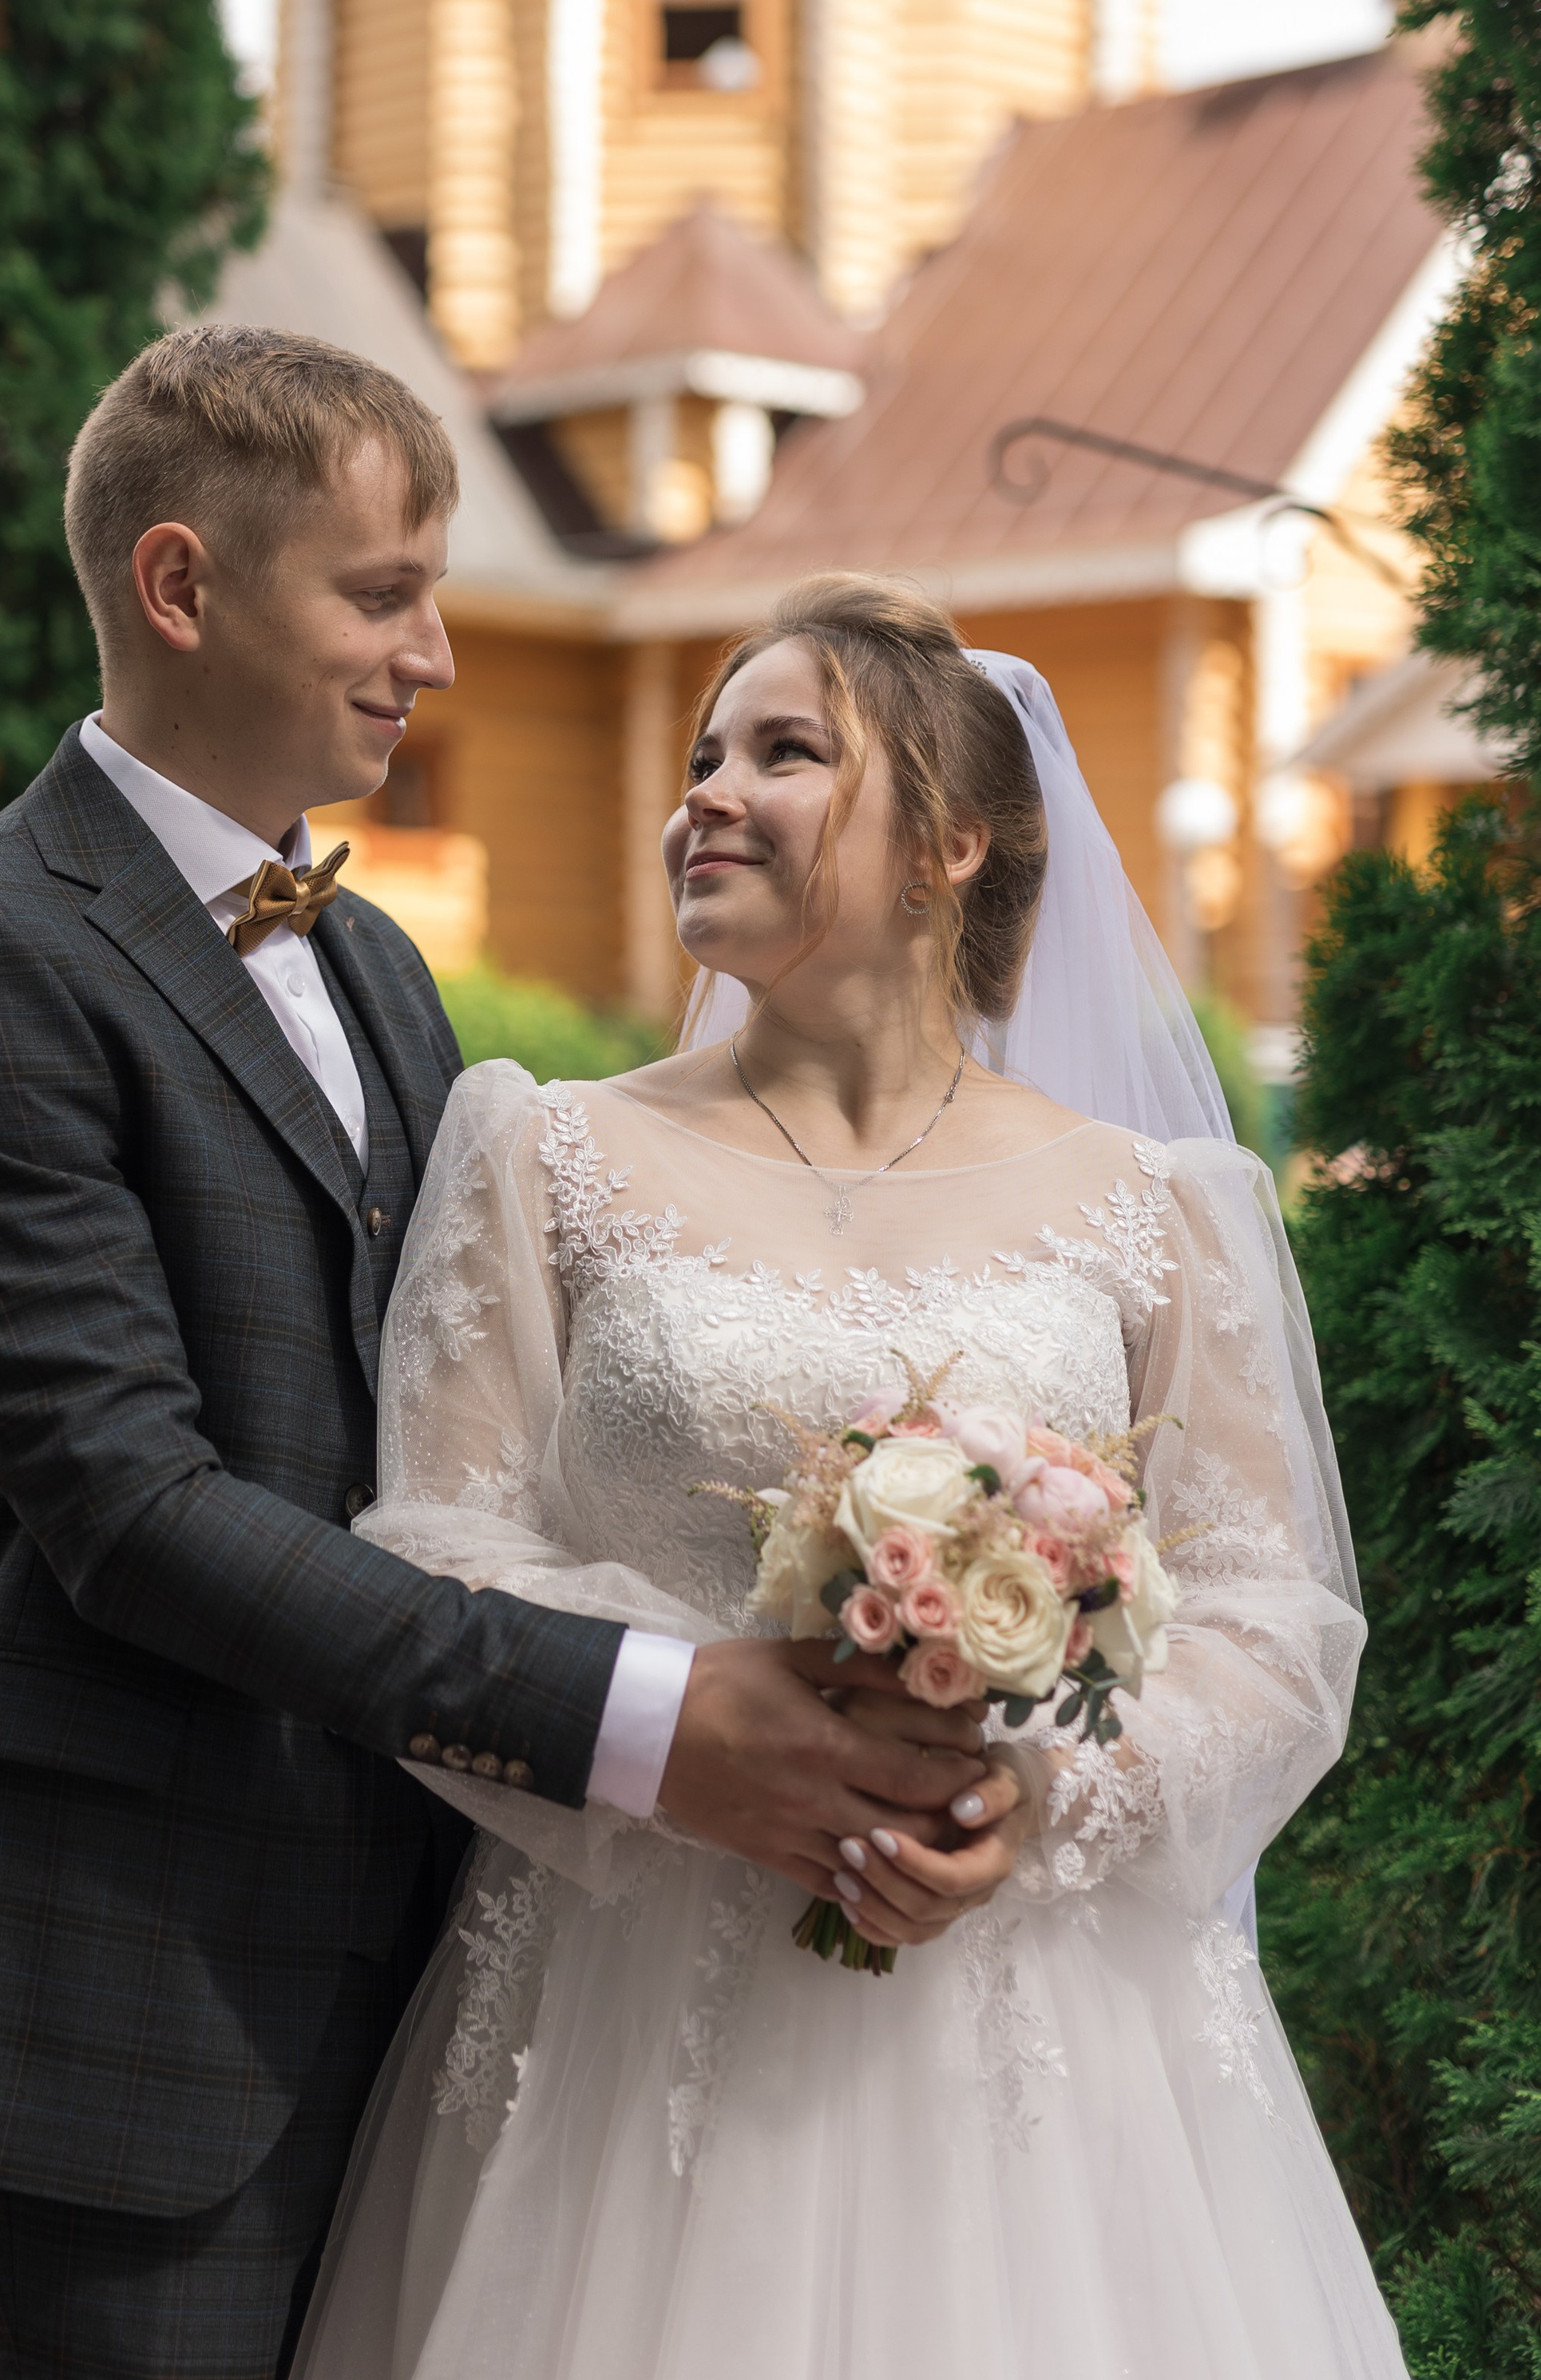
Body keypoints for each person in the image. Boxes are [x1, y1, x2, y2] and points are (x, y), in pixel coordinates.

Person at [0, 334, 1017, 2380]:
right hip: (144, 2013)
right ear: (181, 586)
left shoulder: (373, 961)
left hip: (470, 1994)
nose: (434, 654)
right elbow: (129, 1507)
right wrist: (647, 1718)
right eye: (381, 593)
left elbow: (486, 1440)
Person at [291, 574, 1407, 2380]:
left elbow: (1270, 1614)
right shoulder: (541, 1149)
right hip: (627, 2003)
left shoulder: (1162, 1204)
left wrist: (1037, 1791)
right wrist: (698, 1721)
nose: (707, 795)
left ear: (949, 842)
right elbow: (435, 1548)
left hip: (1042, 2033)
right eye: (700, 755)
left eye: (784, 751)